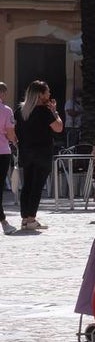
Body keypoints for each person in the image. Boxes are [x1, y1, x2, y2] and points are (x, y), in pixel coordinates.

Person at [14, 80, 62, 231]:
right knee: (37, 186)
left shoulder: (20, 111)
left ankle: (25, 219)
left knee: (27, 185)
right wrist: (55, 112)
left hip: (25, 152)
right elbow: (59, 128)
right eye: (47, 92)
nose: (49, 94)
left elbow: (14, 131)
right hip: (42, 153)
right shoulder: (44, 111)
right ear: (40, 95)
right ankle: (31, 219)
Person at [0, 83, 17, 235]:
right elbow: (10, 133)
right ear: (2, 93)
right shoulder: (6, 110)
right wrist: (15, 141)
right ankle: (3, 222)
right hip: (2, 151)